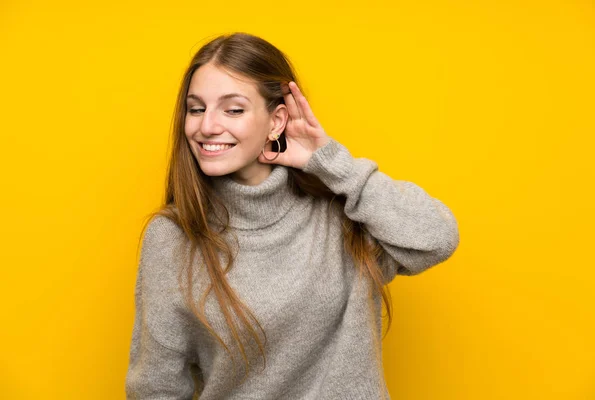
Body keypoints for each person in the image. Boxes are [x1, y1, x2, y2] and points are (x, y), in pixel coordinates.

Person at [125, 32, 460, 399]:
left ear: (276, 120)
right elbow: (155, 388)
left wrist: (331, 162)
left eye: (233, 109)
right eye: (196, 108)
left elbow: (436, 238)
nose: (207, 126)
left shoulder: (341, 215)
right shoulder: (173, 237)